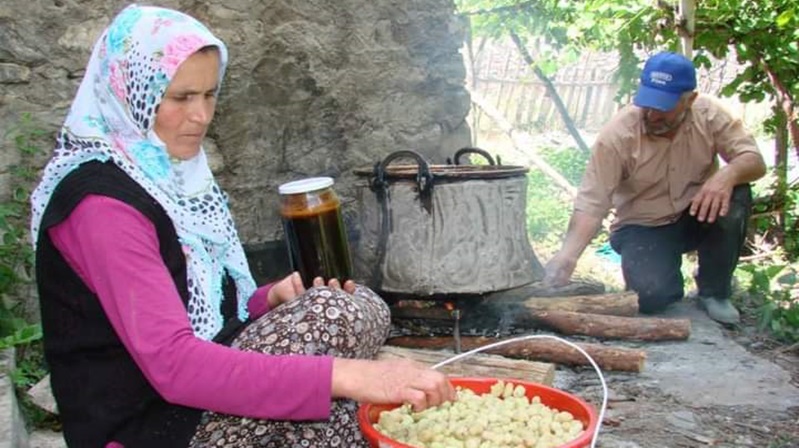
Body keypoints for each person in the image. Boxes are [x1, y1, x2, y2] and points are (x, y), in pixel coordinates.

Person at [30, 5, 455, 448]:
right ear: (129, 92)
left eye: (210, 94)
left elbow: (195, 303)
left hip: (185, 399)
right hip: (149, 425)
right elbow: (175, 367)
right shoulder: (102, 207)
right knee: (336, 341)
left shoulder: (162, 174)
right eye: (181, 98)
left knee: (353, 304)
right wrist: (349, 376)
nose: (201, 115)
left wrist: (265, 299)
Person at [544, 51, 766, 325]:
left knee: (736, 193)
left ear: (690, 100)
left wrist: (726, 175)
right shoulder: (618, 135)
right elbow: (593, 202)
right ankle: (664, 282)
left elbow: (754, 161)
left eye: (664, 106)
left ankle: (715, 292)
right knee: (650, 297)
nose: (652, 114)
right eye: (647, 103)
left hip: (697, 213)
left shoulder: (709, 114)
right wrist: (567, 258)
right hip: (643, 225)